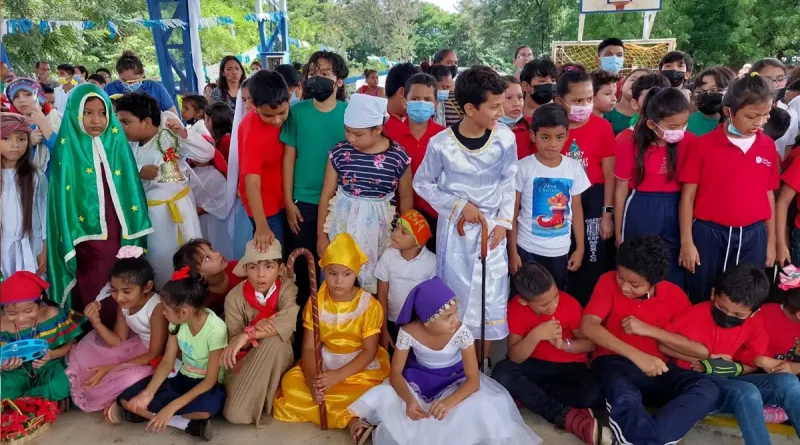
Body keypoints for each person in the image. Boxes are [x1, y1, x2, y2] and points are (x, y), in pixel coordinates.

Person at [349, 277, 543, 445]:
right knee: (389, 397)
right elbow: (396, 373)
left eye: (456, 312)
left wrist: (449, 402)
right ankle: (365, 424)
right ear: (427, 320)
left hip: (455, 380)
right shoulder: (408, 332)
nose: (455, 320)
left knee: (485, 406)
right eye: (447, 316)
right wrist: (409, 400)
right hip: (419, 380)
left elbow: (473, 380)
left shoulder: (461, 333)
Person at [413, 66, 516, 371]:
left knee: (490, 301)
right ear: (470, 109)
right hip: (456, 232)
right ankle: (456, 367)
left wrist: (503, 223)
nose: (502, 111)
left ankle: (480, 367)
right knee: (456, 300)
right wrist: (459, 206)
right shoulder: (441, 144)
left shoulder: (505, 138)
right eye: (495, 106)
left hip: (492, 231)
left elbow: (509, 181)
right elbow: (423, 184)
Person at [580, 236, 721, 445]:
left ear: (654, 282)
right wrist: (639, 357)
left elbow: (697, 349)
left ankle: (653, 437)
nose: (624, 287)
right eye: (621, 277)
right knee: (624, 396)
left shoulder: (674, 295)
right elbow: (589, 325)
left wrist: (649, 331)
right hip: (614, 364)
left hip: (659, 369)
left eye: (635, 284)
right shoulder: (607, 281)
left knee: (709, 390)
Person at [654, 264, 800, 445]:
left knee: (789, 382)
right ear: (713, 294)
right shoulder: (697, 314)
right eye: (722, 308)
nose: (728, 315)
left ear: (754, 312)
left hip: (730, 380)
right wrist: (706, 359)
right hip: (699, 383)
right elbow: (664, 346)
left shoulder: (754, 324)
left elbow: (752, 362)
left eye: (738, 314)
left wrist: (735, 367)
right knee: (748, 392)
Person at [47, 84, 152, 328]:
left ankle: (129, 329)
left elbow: (131, 189)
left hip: (121, 229)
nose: (96, 120)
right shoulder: (67, 150)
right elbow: (62, 201)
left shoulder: (118, 144)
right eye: (88, 112)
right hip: (84, 235)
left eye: (102, 112)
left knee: (126, 276)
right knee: (95, 280)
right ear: (75, 114)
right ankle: (99, 330)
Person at [272, 233, 391, 436]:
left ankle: (351, 420)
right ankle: (352, 417)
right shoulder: (316, 303)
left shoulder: (369, 305)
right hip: (325, 363)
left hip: (358, 368)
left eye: (346, 274)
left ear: (356, 273)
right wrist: (312, 384)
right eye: (332, 273)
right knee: (291, 386)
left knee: (378, 391)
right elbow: (310, 347)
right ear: (323, 271)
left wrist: (337, 377)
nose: (338, 281)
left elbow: (369, 351)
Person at [679, 73, 779, 303]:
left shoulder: (767, 146)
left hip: (754, 236)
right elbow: (687, 197)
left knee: (744, 297)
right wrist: (687, 242)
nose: (759, 123)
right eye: (751, 116)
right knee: (703, 293)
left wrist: (771, 243)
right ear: (728, 112)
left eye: (765, 116)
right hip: (709, 234)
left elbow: (769, 195)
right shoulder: (703, 146)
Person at [493, 264, 607, 445]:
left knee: (593, 393)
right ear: (524, 301)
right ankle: (567, 416)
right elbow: (515, 357)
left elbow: (590, 344)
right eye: (545, 304)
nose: (553, 305)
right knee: (501, 372)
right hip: (533, 364)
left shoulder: (569, 303)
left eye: (555, 297)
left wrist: (565, 345)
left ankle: (528, 396)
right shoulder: (516, 308)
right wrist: (537, 334)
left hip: (569, 366)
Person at [281, 50, 349, 352]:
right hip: (303, 203)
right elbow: (289, 157)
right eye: (315, 71)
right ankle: (302, 341)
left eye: (326, 72)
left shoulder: (350, 113)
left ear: (340, 79)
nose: (319, 77)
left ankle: (339, 336)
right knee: (303, 274)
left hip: (343, 205)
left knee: (341, 272)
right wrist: (288, 200)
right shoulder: (298, 112)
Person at [111, 268, 227, 440]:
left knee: (204, 410)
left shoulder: (216, 329)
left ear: (183, 312)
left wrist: (170, 408)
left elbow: (210, 381)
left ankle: (155, 415)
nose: (163, 313)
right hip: (182, 376)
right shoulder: (177, 323)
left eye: (165, 309)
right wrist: (148, 393)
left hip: (204, 385)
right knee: (128, 399)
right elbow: (167, 361)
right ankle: (185, 424)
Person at [115, 93, 215, 288]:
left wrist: (184, 135)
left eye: (126, 122)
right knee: (161, 260)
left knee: (191, 257)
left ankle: (195, 300)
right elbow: (115, 176)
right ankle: (167, 300)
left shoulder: (169, 136)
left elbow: (207, 153)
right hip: (153, 216)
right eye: (120, 121)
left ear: (146, 122)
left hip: (180, 210)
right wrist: (137, 173)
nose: (122, 127)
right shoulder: (126, 145)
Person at [318, 94, 412, 294]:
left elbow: (405, 198)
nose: (351, 138)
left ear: (378, 129)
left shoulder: (398, 156)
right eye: (347, 131)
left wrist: (405, 235)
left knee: (377, 282)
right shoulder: (339, 153)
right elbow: (326, 195)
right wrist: (321, 236)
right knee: (338, 281)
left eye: (358, 134)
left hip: (379, 233)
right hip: (343, 230)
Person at [65, 247, 167, 414]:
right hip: (135, 347)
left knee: (129, 378)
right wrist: (96, 322)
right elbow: (118, 340)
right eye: (113, 290)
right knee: (87, 359)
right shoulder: (124, 305)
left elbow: (155, 353)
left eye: (127, 291)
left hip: (155, 358)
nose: (119, 297)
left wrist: (112, 368)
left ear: (147, 287)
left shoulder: (156, 309)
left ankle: (118, 401)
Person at [614, 87, 695, 288]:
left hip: (677, 207)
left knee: (673, 266)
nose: (680, 131)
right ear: (652, 124)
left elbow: (690, 192)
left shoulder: (691, 142)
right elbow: (621, 192)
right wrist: (618, 234)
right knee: (638, 265)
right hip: (641, 207)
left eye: (684, 124)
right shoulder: (630, 145)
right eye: (673, 126)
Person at [551, 67, 616, 306]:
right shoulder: (552, 130)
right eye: (577, 100)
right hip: (558, 200)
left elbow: (610, 173)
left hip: (593, 200)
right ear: (560, 101)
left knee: (592, 259)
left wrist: (607, 213)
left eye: (589, 99)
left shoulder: (602, 127)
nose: (585, 105)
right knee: (562, 260)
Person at [510, 104, 590, 291]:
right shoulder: (523, 168)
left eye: (559, 137)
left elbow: (577, 209)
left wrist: (580, 248)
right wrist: (513, 252)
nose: (553, 144)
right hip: (526, 248)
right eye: (545, 137)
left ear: (567, 136)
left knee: (554, 296)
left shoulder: (573, 168)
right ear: (533, 135)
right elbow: (512, 212)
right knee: (525, 297)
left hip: (560, 250)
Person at [220, 240, 299, 426]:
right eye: (254, 267)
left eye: (269, 266)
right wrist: (246, 338)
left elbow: (289, 319)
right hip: (248, 359)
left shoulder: (287, 287)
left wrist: (248, 334)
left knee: (277, 340)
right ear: (246, 269)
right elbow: (234, 345)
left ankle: (268, 399)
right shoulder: (234, 297)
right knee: (235, 415)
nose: (261, 274)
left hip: (280, 355)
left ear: (279, 269)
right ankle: (263, 400)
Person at [0, 271, 85, 407]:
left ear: (39, 302)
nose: (21, 319)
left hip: (50, 366)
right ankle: (37, 400)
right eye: (12, 313)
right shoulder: (2, 325)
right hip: (17, 373)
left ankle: (21, 402)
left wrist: (52, 354)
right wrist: (5, 366)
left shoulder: (51, 315)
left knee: (61, 384)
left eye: (28, 311)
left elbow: (72, 343)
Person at [383, 73, 446, 251]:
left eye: (427, 99)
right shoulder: (389, 135)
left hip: (435, 215)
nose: (421, 103)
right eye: (415, 98)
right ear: (405, 101)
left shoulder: (445, 137)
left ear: (435, 104)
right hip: (397, 214)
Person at [240, 70, 290, 249]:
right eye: (268, 115)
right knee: (275, 257)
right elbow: (251, 182)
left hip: (284, 199)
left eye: (282, 112)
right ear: (253, 105)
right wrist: (261, 226)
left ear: (289, 98)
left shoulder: (290, 116)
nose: (276, 120)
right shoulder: (252, 129)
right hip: (264, 207)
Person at [374, 209, 436, 350]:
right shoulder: (388, 256)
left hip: (419, 326)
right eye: (396, 228)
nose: (395, 234)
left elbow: (431, 301)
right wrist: (383, 331)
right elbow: (382, 294)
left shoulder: (431, 262)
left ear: (418, 240)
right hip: (391, 323)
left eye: (404, 232)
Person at [1, 114, 47, 280]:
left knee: (29, 294)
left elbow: (44, 215)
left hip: (29, 245)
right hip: (3, 246)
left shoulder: (35, 175)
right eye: (6, 138)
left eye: (21, 139)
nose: (15, 145)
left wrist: (44, 248)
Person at [172, 238, 242, 316]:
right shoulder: (203, 300)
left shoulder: (237, 268)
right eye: (207, 258)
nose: (217, 254)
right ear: (199, 275)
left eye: (211, 250)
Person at [6, 77, 61, 173]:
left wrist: (44, 125)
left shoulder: (55, 119)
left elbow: (65, 152)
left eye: (27, 94)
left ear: (38, 97)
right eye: (16, 96)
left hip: (53, 182)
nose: (22, 100)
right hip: (26, 181)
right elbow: (7, 160)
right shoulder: (11, 126)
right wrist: (29, 144)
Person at [751, 58, 799, 159]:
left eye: (780, 79)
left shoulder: (791, 114)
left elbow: (787, 151)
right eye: (767, 79)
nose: (775, 84)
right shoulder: (744, 111)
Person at [104, 51, 177, 114]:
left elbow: (172, 115)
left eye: (135, 80)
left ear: (142, 73)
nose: (130, 84)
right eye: (124, 80)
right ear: (119, 75)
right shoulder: (109, 89)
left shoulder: (156, 88)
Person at [615, 73, 671, 143]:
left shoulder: (677, 136)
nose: (657, 102)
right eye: (650, 96)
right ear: (635, 104)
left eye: (663, 97)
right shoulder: (624, 140)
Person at [688, 66, 735, 136]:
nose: (706, 95)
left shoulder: (738, 125)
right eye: (699, 91)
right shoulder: (686, 123)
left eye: (713, 90)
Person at [604, 68, 650, 135]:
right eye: (633, 79)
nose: (636, 83)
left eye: (642, 82)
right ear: (621, 86)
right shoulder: (604, 110)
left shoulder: (650, 118)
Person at [500, 75, 531, 159]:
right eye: (509, 98)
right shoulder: (489, 130)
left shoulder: (531, 126)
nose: (516, 103)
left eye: (520, 97)